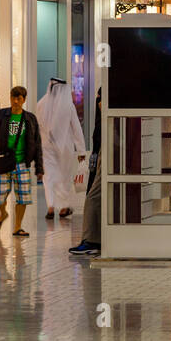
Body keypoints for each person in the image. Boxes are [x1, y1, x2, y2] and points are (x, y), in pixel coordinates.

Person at [0, 86, 41, 236]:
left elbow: (37, 143)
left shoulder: (30, 119)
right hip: (3, 161)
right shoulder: (0, 116)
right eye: (13, 97)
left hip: (22, 163)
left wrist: (39, 167)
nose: (15, 101)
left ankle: (17, 227)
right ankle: (2, 214)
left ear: (24, 100)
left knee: (23, 196)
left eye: (19, 98)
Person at [34, 78, 87, 219]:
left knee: (49, 177)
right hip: (65, 147)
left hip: (46, 146)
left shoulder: (40, 104)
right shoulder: (68, 106)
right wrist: (81, 150)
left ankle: (51, 206)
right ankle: (63, 207)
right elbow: (76, 128)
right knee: (64, 177)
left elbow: (36, 128)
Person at [70, 89, 104, 257]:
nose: (98, 103)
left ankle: (91, 241)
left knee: (92, 198)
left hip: (106, 158)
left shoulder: (108, 119)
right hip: (98, 158)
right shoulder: (101, 119)